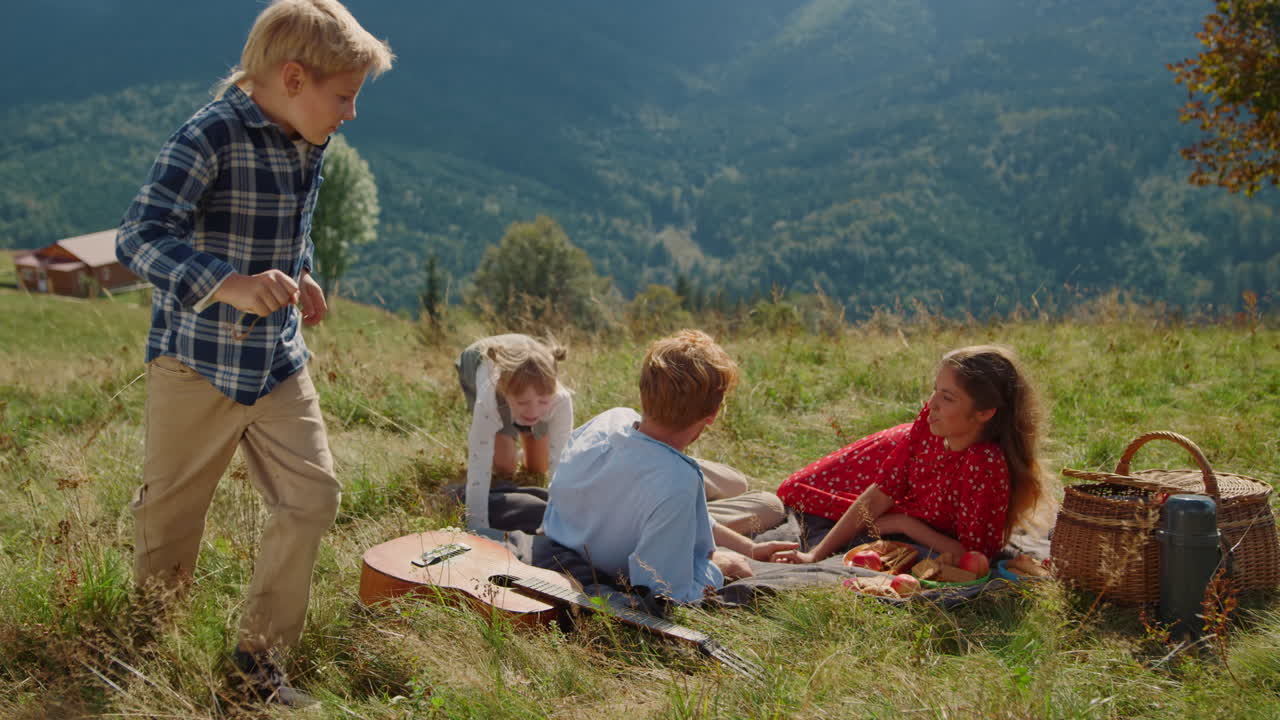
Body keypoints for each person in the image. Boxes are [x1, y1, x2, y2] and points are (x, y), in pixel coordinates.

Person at [114, 0, 392, 706]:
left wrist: (300, 274)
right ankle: (150, 653)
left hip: (275, 362)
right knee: (172, 521)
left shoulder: (308, 134)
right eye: (345, 96)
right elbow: (138, 238)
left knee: (312, 497)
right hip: (195, 364)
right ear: (293, 77)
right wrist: (230, 285)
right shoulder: (210, 135)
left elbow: (280, 222)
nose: (351, 113)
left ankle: (256, 665)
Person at [542, 330, 797, 604]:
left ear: (643, 392)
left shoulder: (610, 419)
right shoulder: (677, 482)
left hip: (571, 532)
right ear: (712, 415)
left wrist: (750, 548)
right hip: (619, 546)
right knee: (768, 505)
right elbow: (663, 589)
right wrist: (718, 568)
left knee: (765, 502)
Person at [770, 344, 1050, 564]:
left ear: (985, 413)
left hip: (914, 480)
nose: (932, 404)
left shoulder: (984, 462)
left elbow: (975, 556)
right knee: (794, 491)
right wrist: (815, 554)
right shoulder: (930, 421)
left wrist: (904, 524)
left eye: (948, 397)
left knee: (852, 515)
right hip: (892, 450)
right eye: (935, 391)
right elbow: (880, 492)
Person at [455, 333, 573, 530]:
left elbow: (560, 467)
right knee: (505, 466)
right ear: (505, 394)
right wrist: (478, 528)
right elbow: (478, 471)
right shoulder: (489, 399)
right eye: (523, 403)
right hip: (477, 359)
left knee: (538, 466)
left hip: (527, 363)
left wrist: (556, 524)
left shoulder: (559, 400)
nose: (534, 411)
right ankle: (506, 431)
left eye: (543, 401)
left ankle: (524, 430)